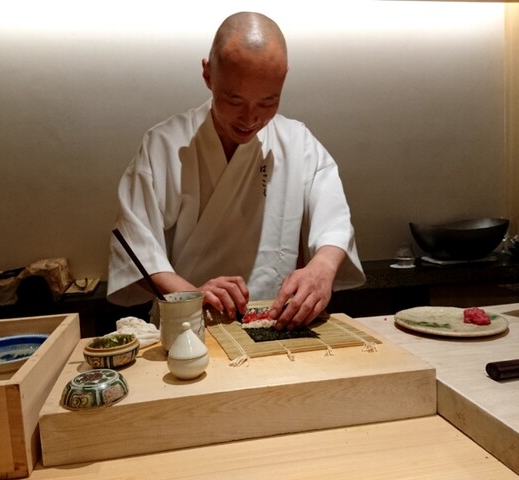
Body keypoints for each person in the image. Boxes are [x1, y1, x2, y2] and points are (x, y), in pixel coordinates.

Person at [108, 11, 365, 331]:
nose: (250, 118)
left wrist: (323, 267)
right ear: (208, 75)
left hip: (273, 324)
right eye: (235, 100)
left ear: (283, 79)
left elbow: (334, 222)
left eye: (267, 102)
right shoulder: (163, 144)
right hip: (188, 326)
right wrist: (192, 294)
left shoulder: (298, 142)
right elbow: (136, 244)